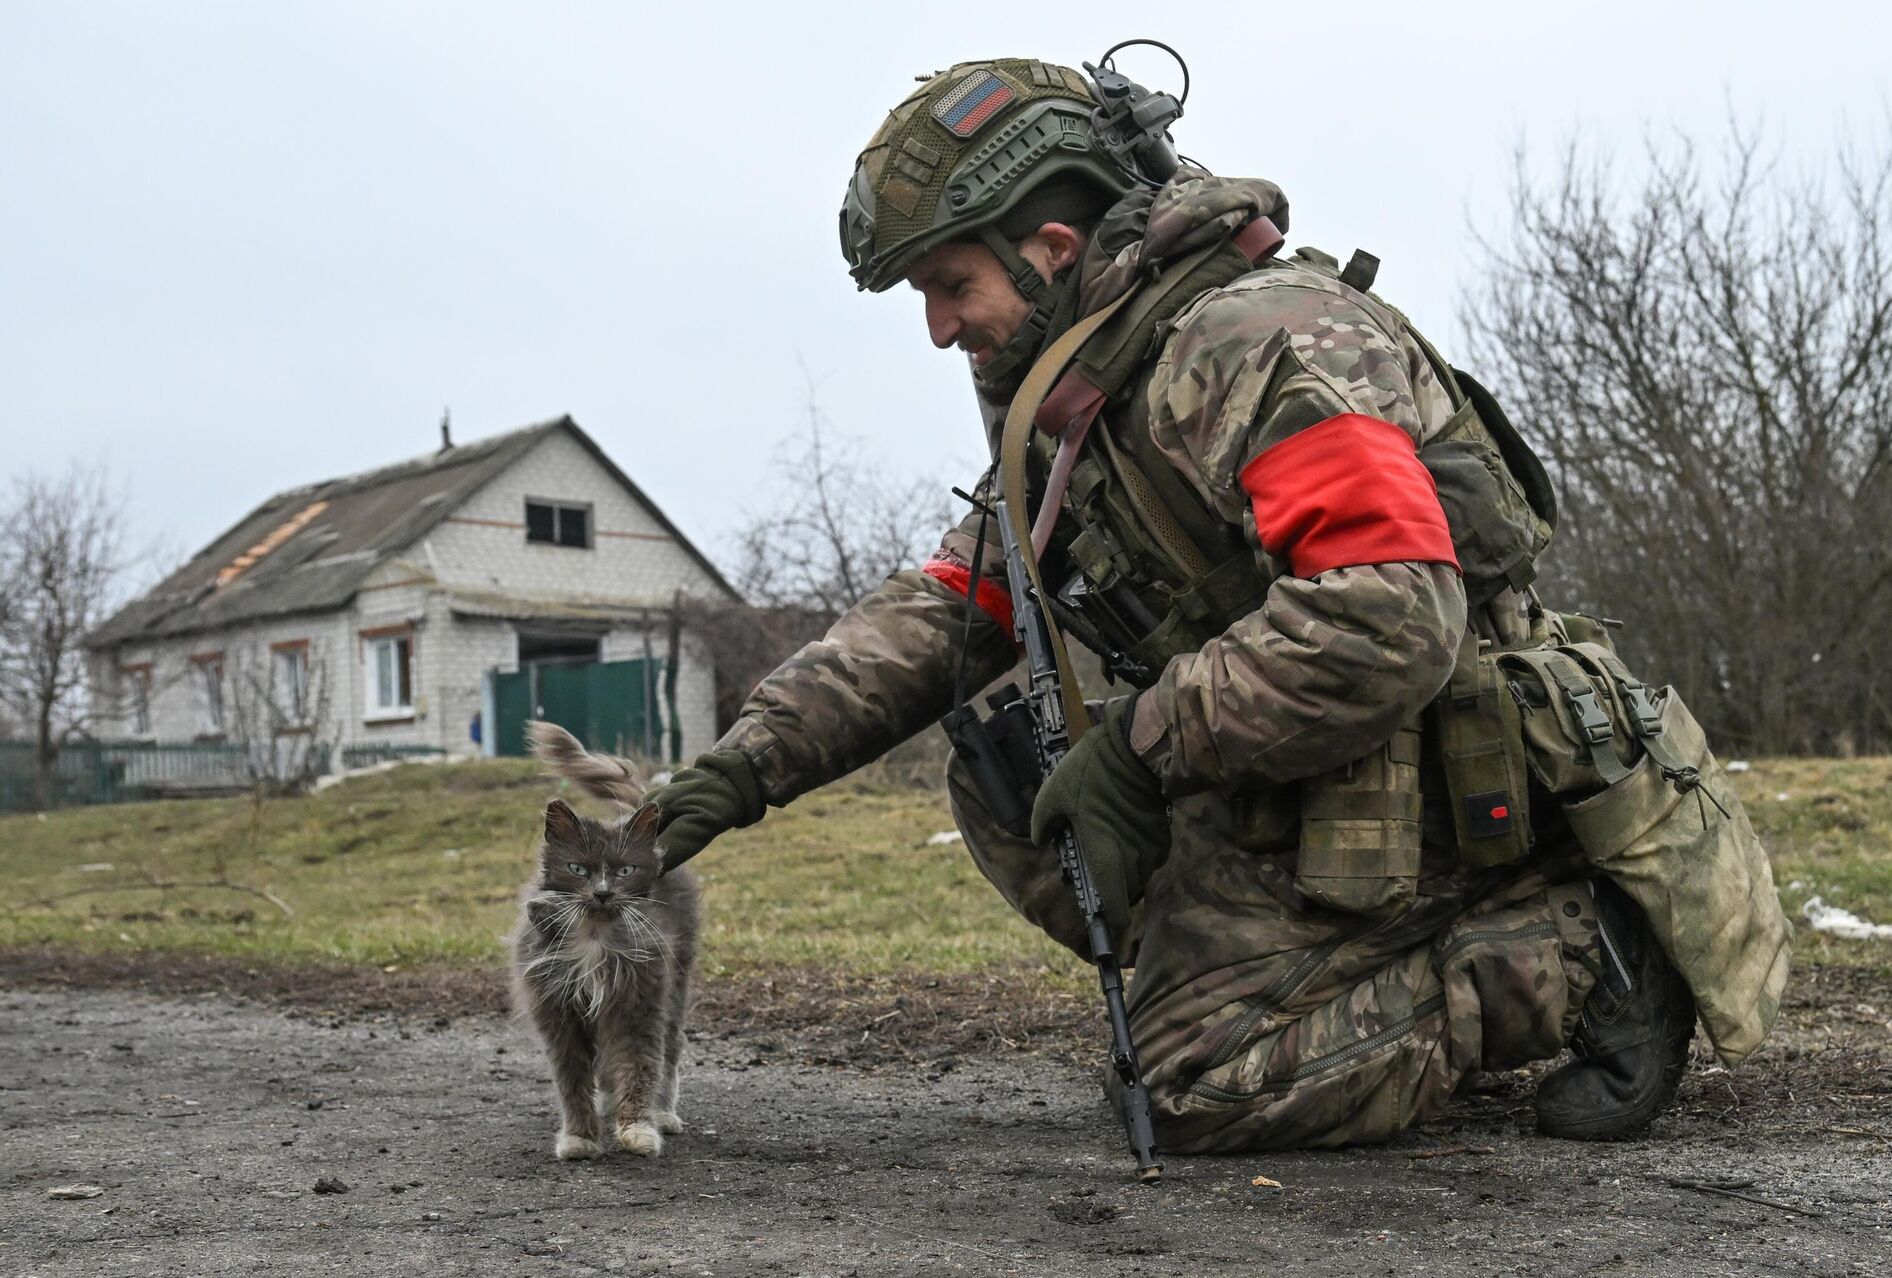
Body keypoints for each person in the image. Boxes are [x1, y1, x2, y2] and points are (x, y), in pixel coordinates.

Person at [636, 56, 1789, 1153]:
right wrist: (741, 770)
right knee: (1007, 770)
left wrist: (1142, 750)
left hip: (1460, 765)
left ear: (1049, 245)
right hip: (1323, 753)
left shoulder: (1263, 340)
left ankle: (1584, 949)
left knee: (1201, 1085)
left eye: (950, 285)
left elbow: (1386, 616)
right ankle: (1275, 977)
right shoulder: (1088, 386)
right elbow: (959, 598)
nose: (940, 328)